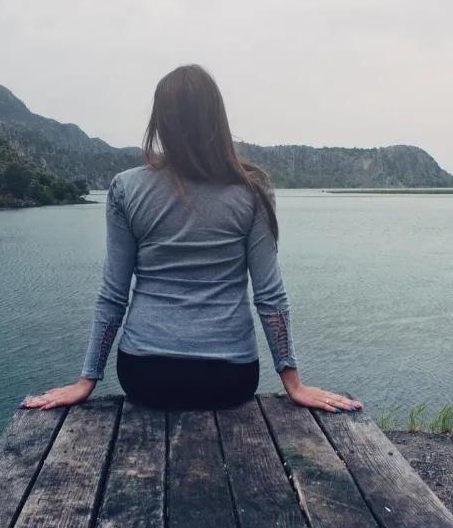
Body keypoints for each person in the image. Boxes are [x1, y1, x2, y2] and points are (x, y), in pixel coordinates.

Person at [22, 65, 362, 414]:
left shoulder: (126, 188)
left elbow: (113, 293)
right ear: (217, 119)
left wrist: (87, 379)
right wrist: (293, 383)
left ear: (160, 122)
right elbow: (269, 295)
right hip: (231, 379)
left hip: (144, 375)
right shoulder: (253, 190)